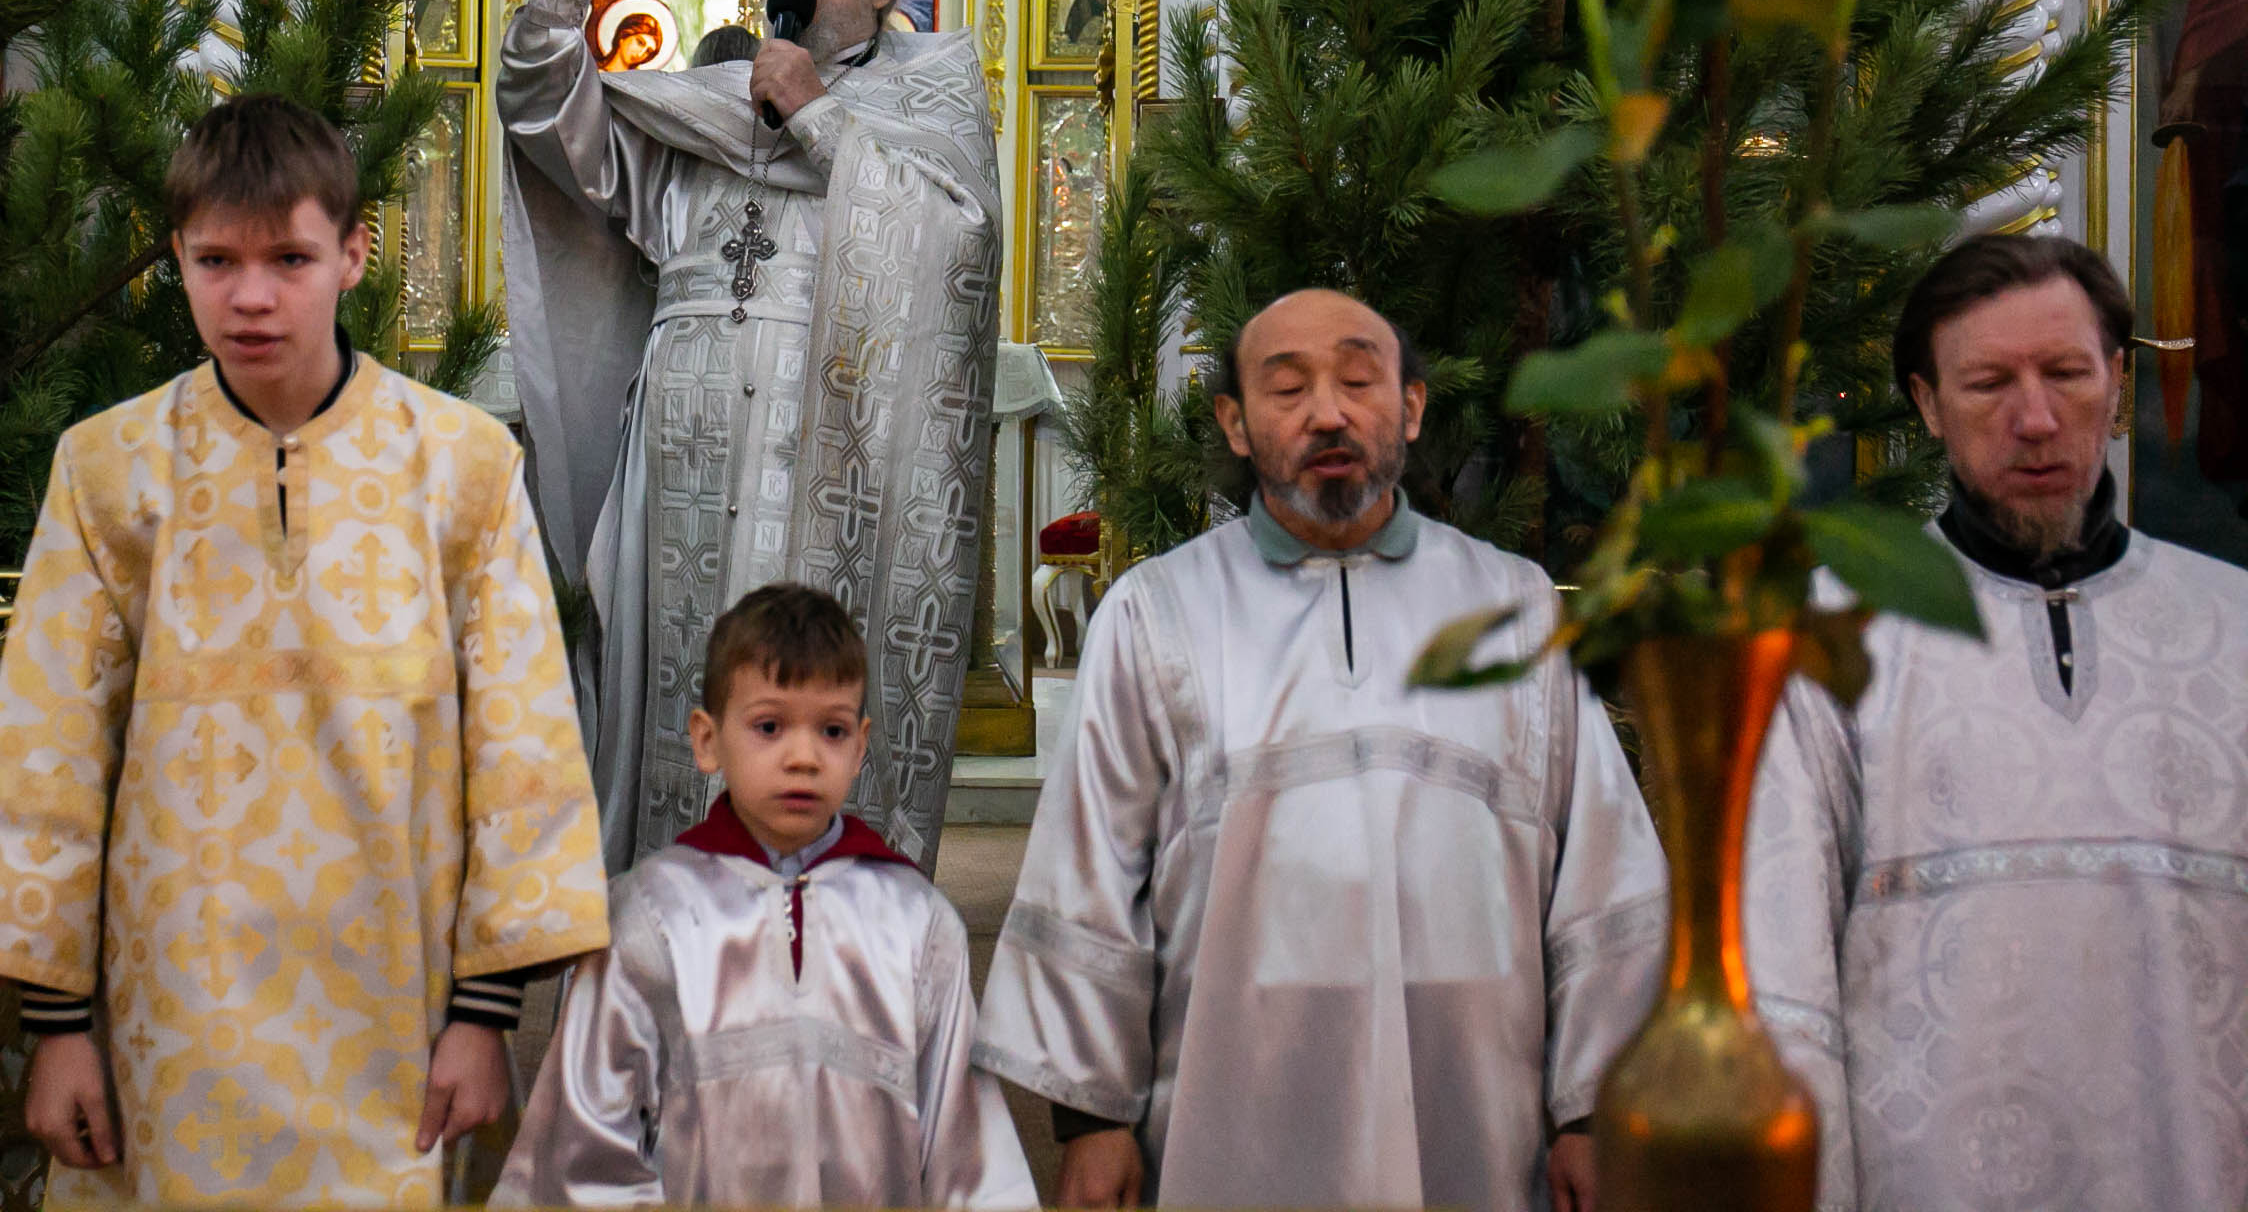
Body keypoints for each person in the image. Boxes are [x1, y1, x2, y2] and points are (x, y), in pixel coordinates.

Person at [0, 95, 609, 1206]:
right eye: (218, 260)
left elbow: (521, 750)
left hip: (392, 1023)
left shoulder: (461, 467)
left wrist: (485, 1017)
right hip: (166, 1028)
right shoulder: (111, 469)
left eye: (289, 258)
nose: (251, 296)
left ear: (353, 253)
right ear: (178, 257)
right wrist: (58, 1029)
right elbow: (46, 756)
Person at [974, 289, 1668, 1212]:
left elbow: (1602, 878)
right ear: (1235, 422)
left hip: (1472, 1111)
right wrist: (1090, 1122)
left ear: (1410, 407)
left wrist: (1589, 1114)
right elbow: (1089, 873)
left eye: (1358, 380)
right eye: (1288, 387)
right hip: (1234, 1104)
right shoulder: (1157, 615)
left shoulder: (1515, 608)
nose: (1328, 412)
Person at [502, 0, 1002, 874]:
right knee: (674, 693)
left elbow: (957, 241)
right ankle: (668, 916)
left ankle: (820, 924)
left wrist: (816, 114)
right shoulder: (708, 105)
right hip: (678, 467)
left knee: (795, 693)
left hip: (822, 460)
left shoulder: (930, 101)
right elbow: (544, 111)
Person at [1742, 233, 2248, 1212]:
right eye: (1987, 384)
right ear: (1928, 403)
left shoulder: (2233, 630)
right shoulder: (1825, 641)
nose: (2036, 419)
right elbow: (1779, 991)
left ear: (2117, 380)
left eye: (2067, 373)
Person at [494, 584, 1035, 1208]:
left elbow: (966, 1153)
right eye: (769, 726)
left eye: (832, 730)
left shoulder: (917, 925)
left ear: (860, 749)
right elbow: (586, 1154)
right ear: (707, 740)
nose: (803, 757)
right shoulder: (649, 918)